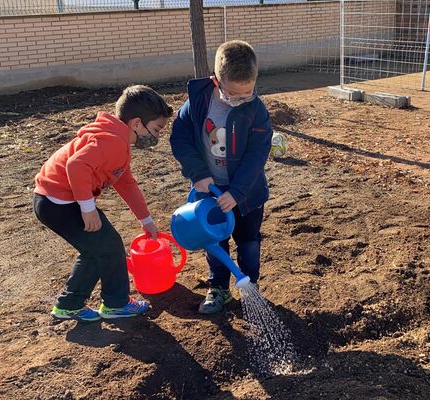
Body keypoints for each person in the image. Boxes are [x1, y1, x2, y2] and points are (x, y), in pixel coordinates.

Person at [33, 85, 173, 321]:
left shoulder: (117, 138)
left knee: (96, 249)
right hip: (58, 202)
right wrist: (88, 209)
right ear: (137, 124)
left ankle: (69, 304)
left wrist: (146, 220)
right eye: (157, 129)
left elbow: (126, 183)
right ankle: (116, 304)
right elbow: (76, 165)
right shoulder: (113, 141)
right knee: (108, 246)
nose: (157, 137)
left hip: (54, 200)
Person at [170, 40, 273, 314]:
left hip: (247, 193)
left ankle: (251, 285)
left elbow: (256, 156)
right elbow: (180, 139)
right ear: (216, 81)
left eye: (247, 93)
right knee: (214, 241)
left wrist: (237, 193)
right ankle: (219, 289)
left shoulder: (257, 111)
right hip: (209, 188)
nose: (240, 100)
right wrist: (199, 174)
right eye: (233, 95)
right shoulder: (198, 103)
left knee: (248, 239)